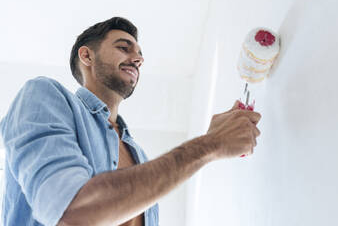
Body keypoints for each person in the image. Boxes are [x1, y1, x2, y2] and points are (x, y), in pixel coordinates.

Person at [0, 17, 261, 226]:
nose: (138, 59)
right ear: (87, 56)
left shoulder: (139, 156)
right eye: (124, 48)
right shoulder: (43, 95)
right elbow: (72, 212)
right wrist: (210, 144)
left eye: (139, 54)